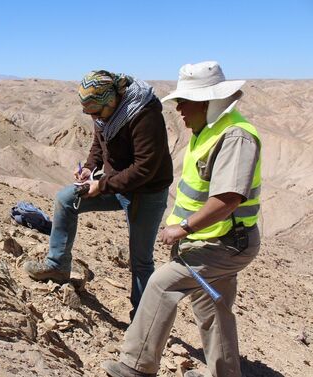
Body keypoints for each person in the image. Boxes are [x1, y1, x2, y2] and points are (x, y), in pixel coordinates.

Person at [101, 61, 262, 377]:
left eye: (184, 102)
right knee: (213, 307)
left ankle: (136, 366)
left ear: (207, 102)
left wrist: (184, 228)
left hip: (226, 244)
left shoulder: (234, 137)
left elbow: (229, 198)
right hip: (212, 240)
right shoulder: (209, 132)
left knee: (162, 285)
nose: (180, 111)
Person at [23, 70, 173, 319]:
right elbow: (99, 141)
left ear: (113, 99)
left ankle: (143, 321)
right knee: (66, 199)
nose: (94, 117)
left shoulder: (143, 113)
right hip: (114, 183)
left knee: (140, 259)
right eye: (89, 113)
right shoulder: (105, 112)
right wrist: (91, 167)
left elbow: (145, 167)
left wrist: (101, 186)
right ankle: (58, 265)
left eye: (96, 112)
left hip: (146, 192)